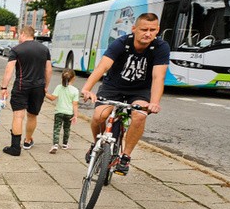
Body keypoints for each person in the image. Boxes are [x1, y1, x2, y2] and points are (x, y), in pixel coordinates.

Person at [81, 12, 169, 175]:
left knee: (140, 116)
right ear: (134, 28)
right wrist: (87, 89)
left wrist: (154, 102)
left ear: (158, 30)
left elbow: (158, 77)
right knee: (99, 116)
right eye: (144, 29)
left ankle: (125, 156)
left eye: (152, 30)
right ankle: (96, 144)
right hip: (113, 87)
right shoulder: (121, 43)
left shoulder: (161, 47)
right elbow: (102, 67)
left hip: (139, 90)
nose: (148, 33)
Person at [0, 26, 52, 155]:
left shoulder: (17, 50)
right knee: (32, 115)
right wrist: (45, 86)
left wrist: (4, 87)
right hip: (38, 86)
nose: (18, 37)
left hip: (22, 85)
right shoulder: (44, 49)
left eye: (19, 35)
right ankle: (28, 141)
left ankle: (15, 148)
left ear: (23, 34)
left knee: (18, 115)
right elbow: (48, 69)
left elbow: (9, 69)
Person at [46, 69, 79, 153]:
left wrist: (44, 93)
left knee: (57, 129)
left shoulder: (59, 87)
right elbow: (75, 104)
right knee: (67, 129)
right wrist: (75, 115)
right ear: (73, 78)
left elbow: (52, 98)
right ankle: (65, 144)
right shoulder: (75, 90)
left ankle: (55, 145)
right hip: (69, 113)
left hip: (59, 112)